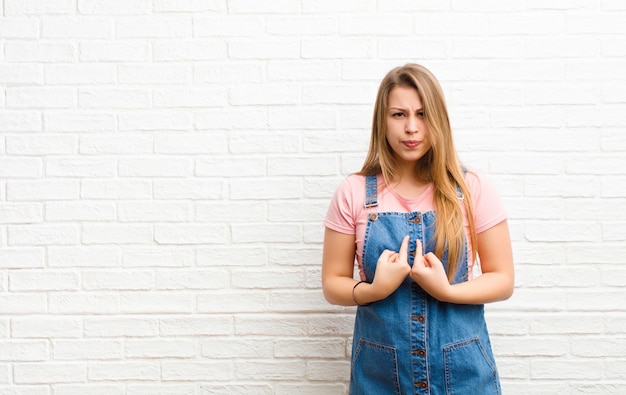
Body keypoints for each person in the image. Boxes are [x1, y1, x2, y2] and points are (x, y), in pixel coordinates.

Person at [321, 63, 514, 394]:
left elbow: (503, 280)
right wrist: (374, 290)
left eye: (422, 114)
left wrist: (447, 291)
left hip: (464, 375)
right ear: (382, 121)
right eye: (398, 114)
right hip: (380, 376)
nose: (411, 127)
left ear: (438, 119)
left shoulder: (472, 189)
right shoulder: (354, 192)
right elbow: (332, 283)